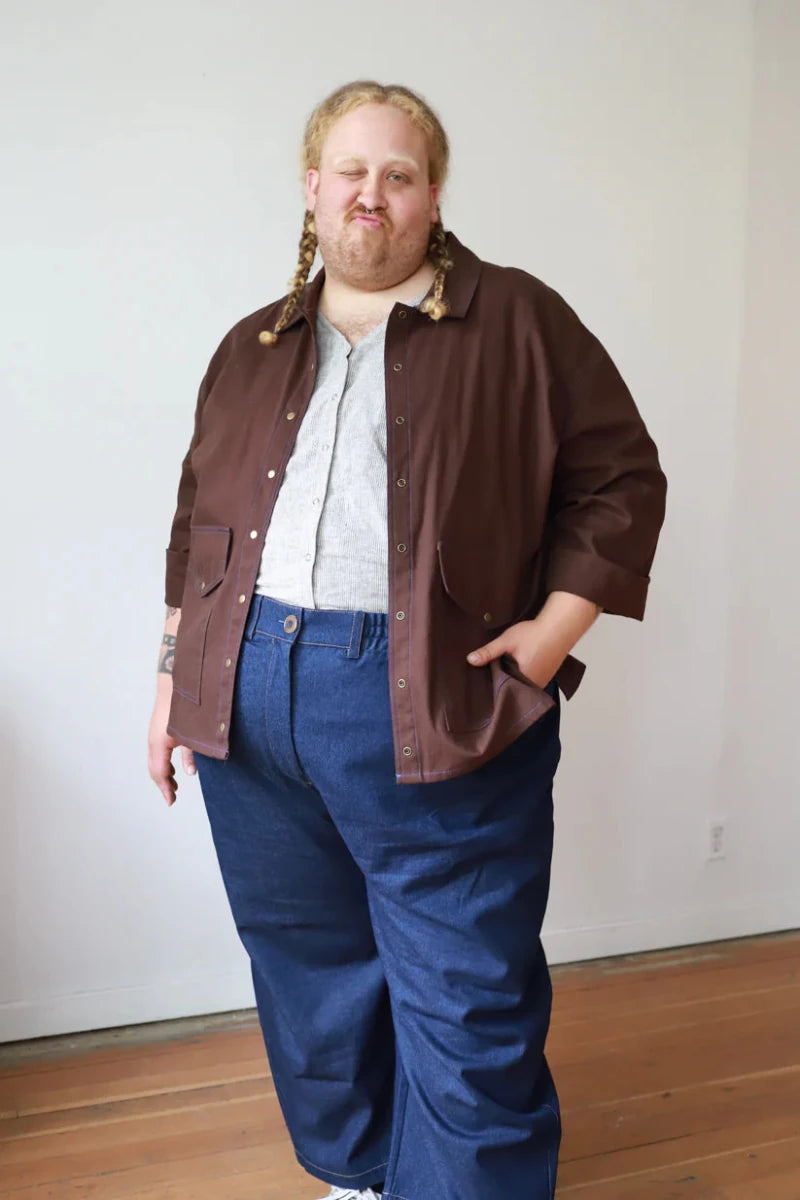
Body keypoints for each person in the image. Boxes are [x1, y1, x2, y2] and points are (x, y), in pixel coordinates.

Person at [147, 79, 667, 1200]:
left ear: (432, 195)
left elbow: (622, 480)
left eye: (398, 174)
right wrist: (170, 689)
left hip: (432, 694)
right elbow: (198, 528)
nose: (370, 194)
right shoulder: (252, 345)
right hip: (245, 697)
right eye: (350, 171)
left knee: (463, 983)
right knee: (309, 967)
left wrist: (548, 637)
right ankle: (363, 1174)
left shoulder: (516, 320)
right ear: (312, 187)